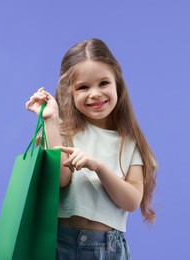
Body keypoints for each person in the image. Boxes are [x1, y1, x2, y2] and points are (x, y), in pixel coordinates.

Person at [25, 38, 157, 260]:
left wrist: (98, 167)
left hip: (108, 249)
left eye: (103, 83)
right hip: (59, 244)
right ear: (70, 92)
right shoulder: (61, 131)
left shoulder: (130, 141)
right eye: (83, 87)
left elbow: (132, 201)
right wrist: (51, 121)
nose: (95, 93)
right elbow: (60, 180)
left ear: (118, 85)